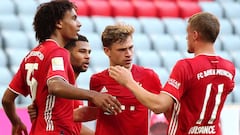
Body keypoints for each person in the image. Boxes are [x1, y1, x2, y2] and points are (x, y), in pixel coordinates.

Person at [1, 1, 121, 135]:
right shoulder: (58, 52)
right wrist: (93, 96)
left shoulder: (31, 56)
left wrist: (16, 122)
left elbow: (7, 99)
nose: (79, 24)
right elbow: (55, 86)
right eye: (74, 18)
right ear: (59, 23)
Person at [109, 12, 236, 135]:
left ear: (195, 35)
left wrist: (129, 82)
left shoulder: (186, 66)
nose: (186, 38)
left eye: (188, 33)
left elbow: (159, 105)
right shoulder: (229, 68)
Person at [74, 23, 162, 135]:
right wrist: (65, 116)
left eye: (131, 48)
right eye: (122, 50)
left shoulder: (149, 76)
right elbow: (94, 112)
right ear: (107, 51)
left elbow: (161, 107)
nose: (128, 54)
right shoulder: (97, 80)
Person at [27, 34, 95, 135]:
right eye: (82, 51)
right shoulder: (61, 88)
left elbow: (73, 126)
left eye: (89, 52)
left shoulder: (72, 87)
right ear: (66, 54)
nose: (87, 56)